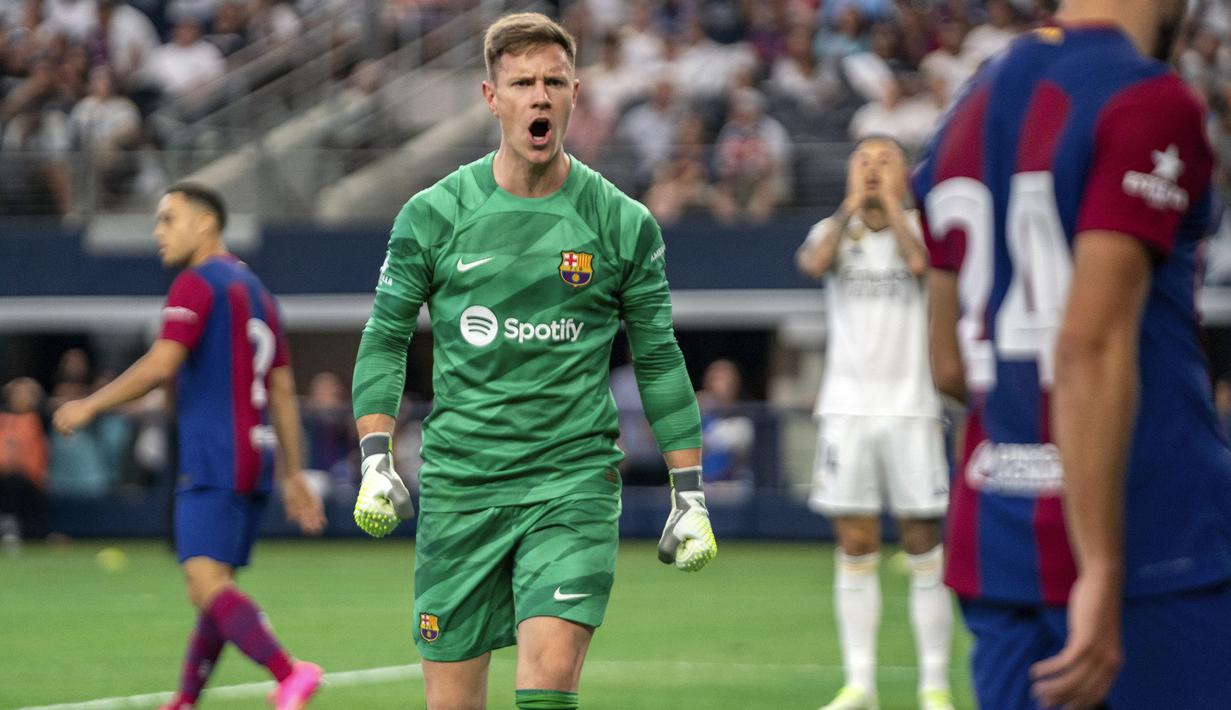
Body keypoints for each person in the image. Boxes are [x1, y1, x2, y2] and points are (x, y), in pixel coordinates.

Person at [348, 13, 717, 710]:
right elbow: (386, 335)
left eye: (552, 82)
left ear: (575, 93)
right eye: (522, 83)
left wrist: (688, 492)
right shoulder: (432, 215)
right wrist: (375, 457)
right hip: (461, 485)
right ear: (492, 98)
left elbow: (659, 358)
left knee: (546, 682)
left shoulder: (622, 223)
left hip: (570, 483)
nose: (538, 97)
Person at [912, 1, 1231, 708]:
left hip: (997, 542)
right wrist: (1099, 569)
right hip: (1151, 545)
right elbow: (1088, 344)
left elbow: (946, 363)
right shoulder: (1145, 96)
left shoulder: (970, 104)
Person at [52, 182, 327, 710]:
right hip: (255, 456)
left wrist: (89, 405)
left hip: (213, 455)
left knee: (205, 584)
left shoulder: (197, 283)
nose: (158, 233)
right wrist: (295, 473)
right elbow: (284, 389)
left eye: (168, 220)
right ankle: (184, 700)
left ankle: (289, 672)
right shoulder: (258, 291)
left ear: (206, 224)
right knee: (214, 585)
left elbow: (161, 364)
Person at [796, 136, 954, 710]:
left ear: (905, 174)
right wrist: (848, 208)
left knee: (922, 544)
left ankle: (933, 683)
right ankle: (860, 684)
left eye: (884, 161)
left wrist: (895, 205)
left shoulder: (922, 231)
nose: (871, 169)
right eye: (863, 160)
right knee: (856, 542)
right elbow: (814, 262)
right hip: (847, 409)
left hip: (912, 407)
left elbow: (920, 267)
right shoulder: (831, 231)